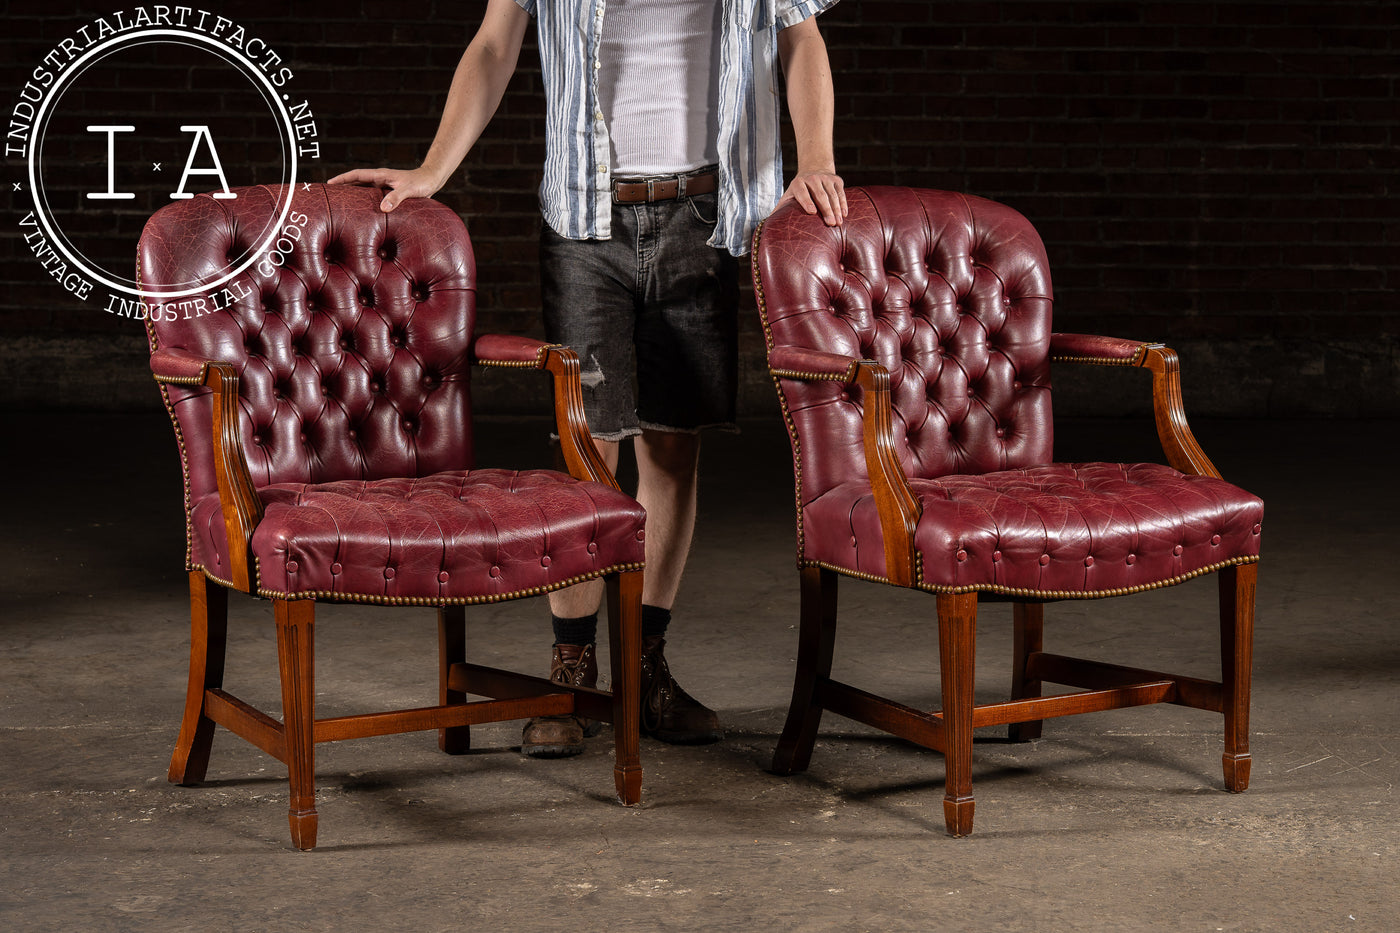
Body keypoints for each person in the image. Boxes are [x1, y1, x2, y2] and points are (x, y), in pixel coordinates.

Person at [329, 0, 847, 758]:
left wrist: (816, 158)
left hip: (705, 212)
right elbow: (495, 44)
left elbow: (800, 38)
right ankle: (571, 668)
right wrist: (435, 167)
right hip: (585, 219)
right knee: (587, 445)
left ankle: (646, 661)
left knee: (673, 446)